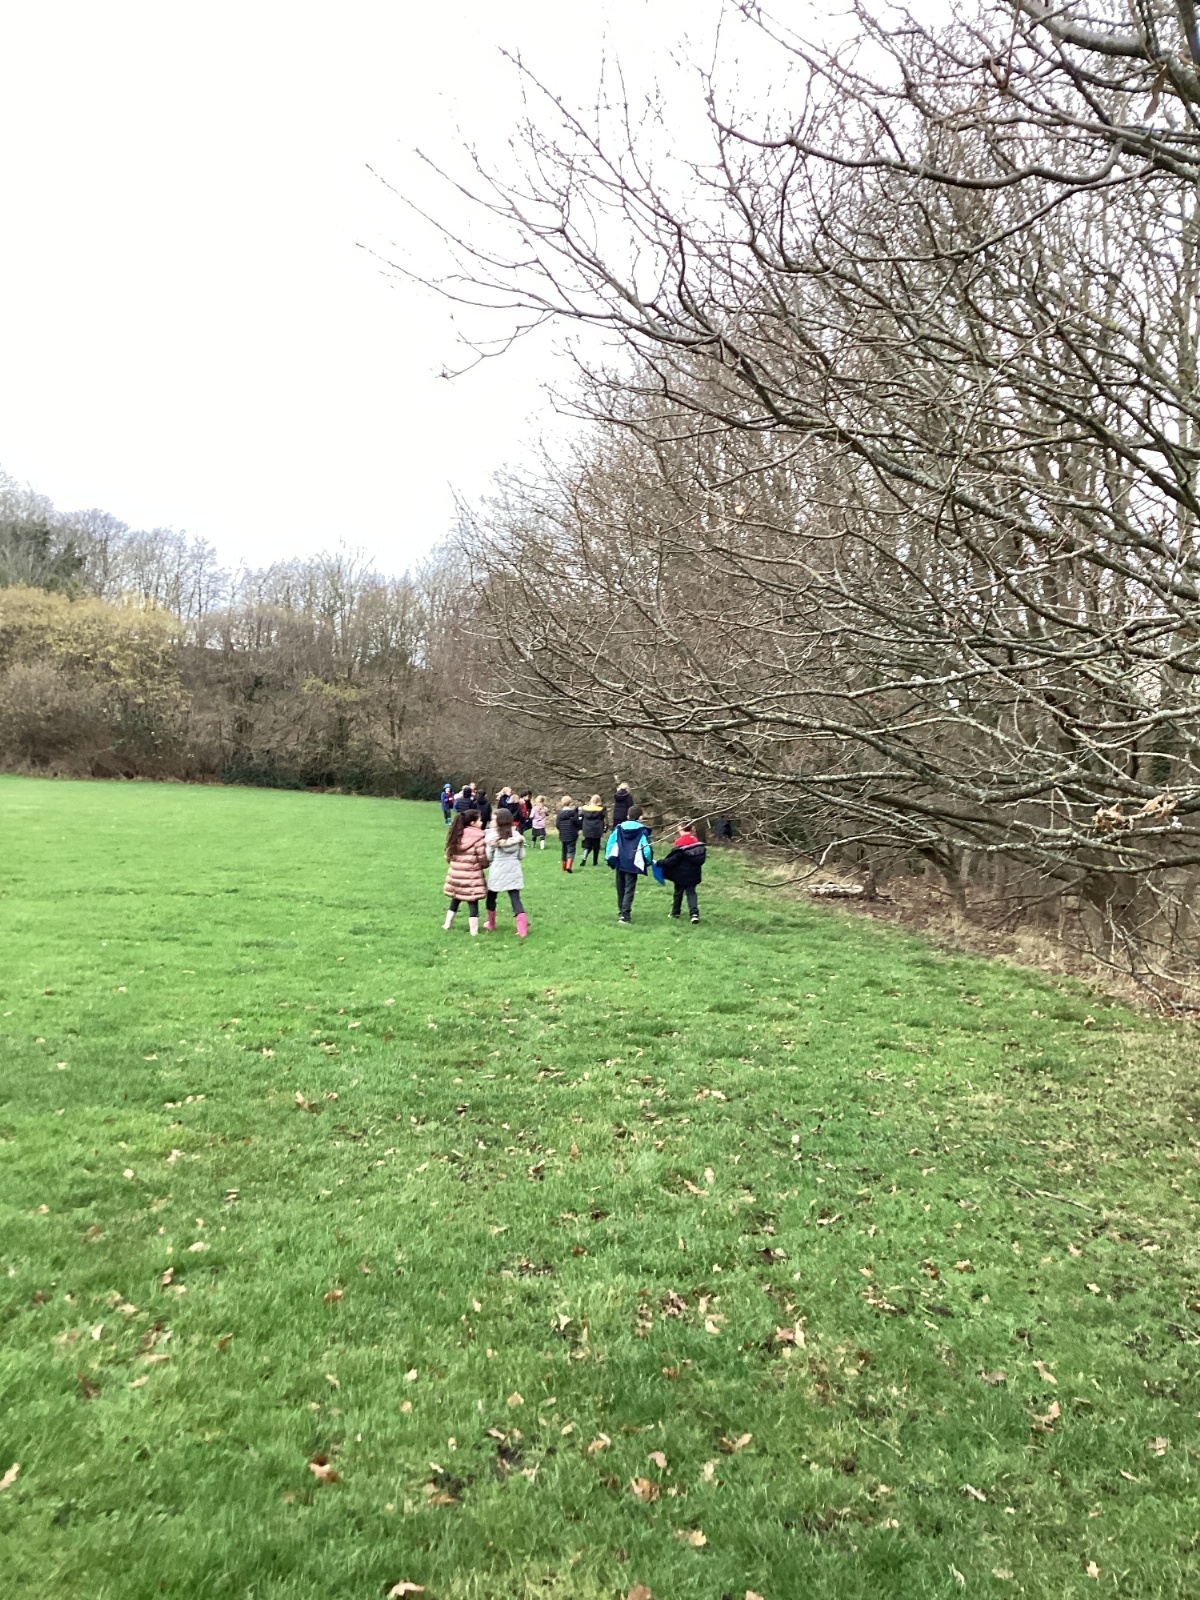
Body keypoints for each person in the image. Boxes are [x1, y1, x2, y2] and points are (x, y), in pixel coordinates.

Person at [442, 807, 488, 935]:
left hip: (456, 875)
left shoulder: (456, 834)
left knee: (455, 899)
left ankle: (447, 924)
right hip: (471, 876)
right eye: (480, 820)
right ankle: (474, 930)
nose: (482, 822)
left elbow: (449, 855)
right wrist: (485, 864)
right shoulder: (479, 838)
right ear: (472, 823)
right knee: (473, 902)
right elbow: (482, 857)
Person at [484, 807, 528, 937]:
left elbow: (489, 857)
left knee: (491, 897)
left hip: (497, 871)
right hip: (514, 870)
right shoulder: (517, 836)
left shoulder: (492, 838)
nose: (491, 821)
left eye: (493, 819)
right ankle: (522, 929)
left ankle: (491, 923)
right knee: (515, 899)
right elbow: (521, 855)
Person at [606, 803, 653, 924]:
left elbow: (611, 842)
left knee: (620, 887)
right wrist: (647, 861)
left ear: (627, 816)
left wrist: (609, 858)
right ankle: (625, 914)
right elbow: (646, 848)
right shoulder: (642, 830)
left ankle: (621, 910)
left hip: (620, 861)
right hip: (633, 862)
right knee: (629, 888)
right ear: (640, 817)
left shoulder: (619, 828)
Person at [659, 825, 707, 923]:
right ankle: (694, 914)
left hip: (680, 875)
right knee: (691, 893)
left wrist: (660, 863)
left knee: (678, 893)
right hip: (693, 874)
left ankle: (675, 912)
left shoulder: (679, 843)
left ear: (680, 828)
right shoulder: (696, 842)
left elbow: (672, 861)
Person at [556, 794, 582, 872]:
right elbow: (578, 823)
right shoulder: (573, 813)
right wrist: (578, 828)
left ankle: (564, 867)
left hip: (563, 835)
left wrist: (561, 830)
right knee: (571, 850)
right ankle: (568, 866)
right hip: (572, 834)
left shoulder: (559, 814)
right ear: (570, 803)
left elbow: (557, 825)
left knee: (564, 851)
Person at [579, 793, 607, 866]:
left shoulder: (584, 808)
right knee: (596, 846)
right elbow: (603, 818)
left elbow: (580, 816)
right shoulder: (601, 809)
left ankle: (584, 856)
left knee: (587, 845)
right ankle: (595, 862)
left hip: (587, 829)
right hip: (597, 829)